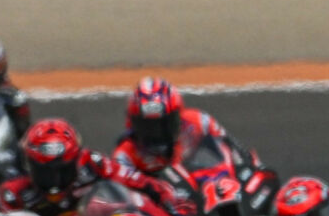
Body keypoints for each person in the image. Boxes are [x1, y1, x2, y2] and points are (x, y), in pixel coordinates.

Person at [0, 118, 187, 216]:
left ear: (75, 160)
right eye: (45, 172)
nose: (55, 181)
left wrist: (165, 194)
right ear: (30, 166)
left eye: (62, 170)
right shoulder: (14, 194)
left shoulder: (93, 163)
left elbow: (134, 179)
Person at [110, 76, 261, 177]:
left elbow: (236, 152)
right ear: (133, 124)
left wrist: (251, 171)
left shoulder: (199, 121)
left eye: (165, 124)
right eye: (149, 127)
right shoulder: (125, 155)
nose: (158, 133)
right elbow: (126, 199)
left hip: (206, 192)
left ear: (178, 116)